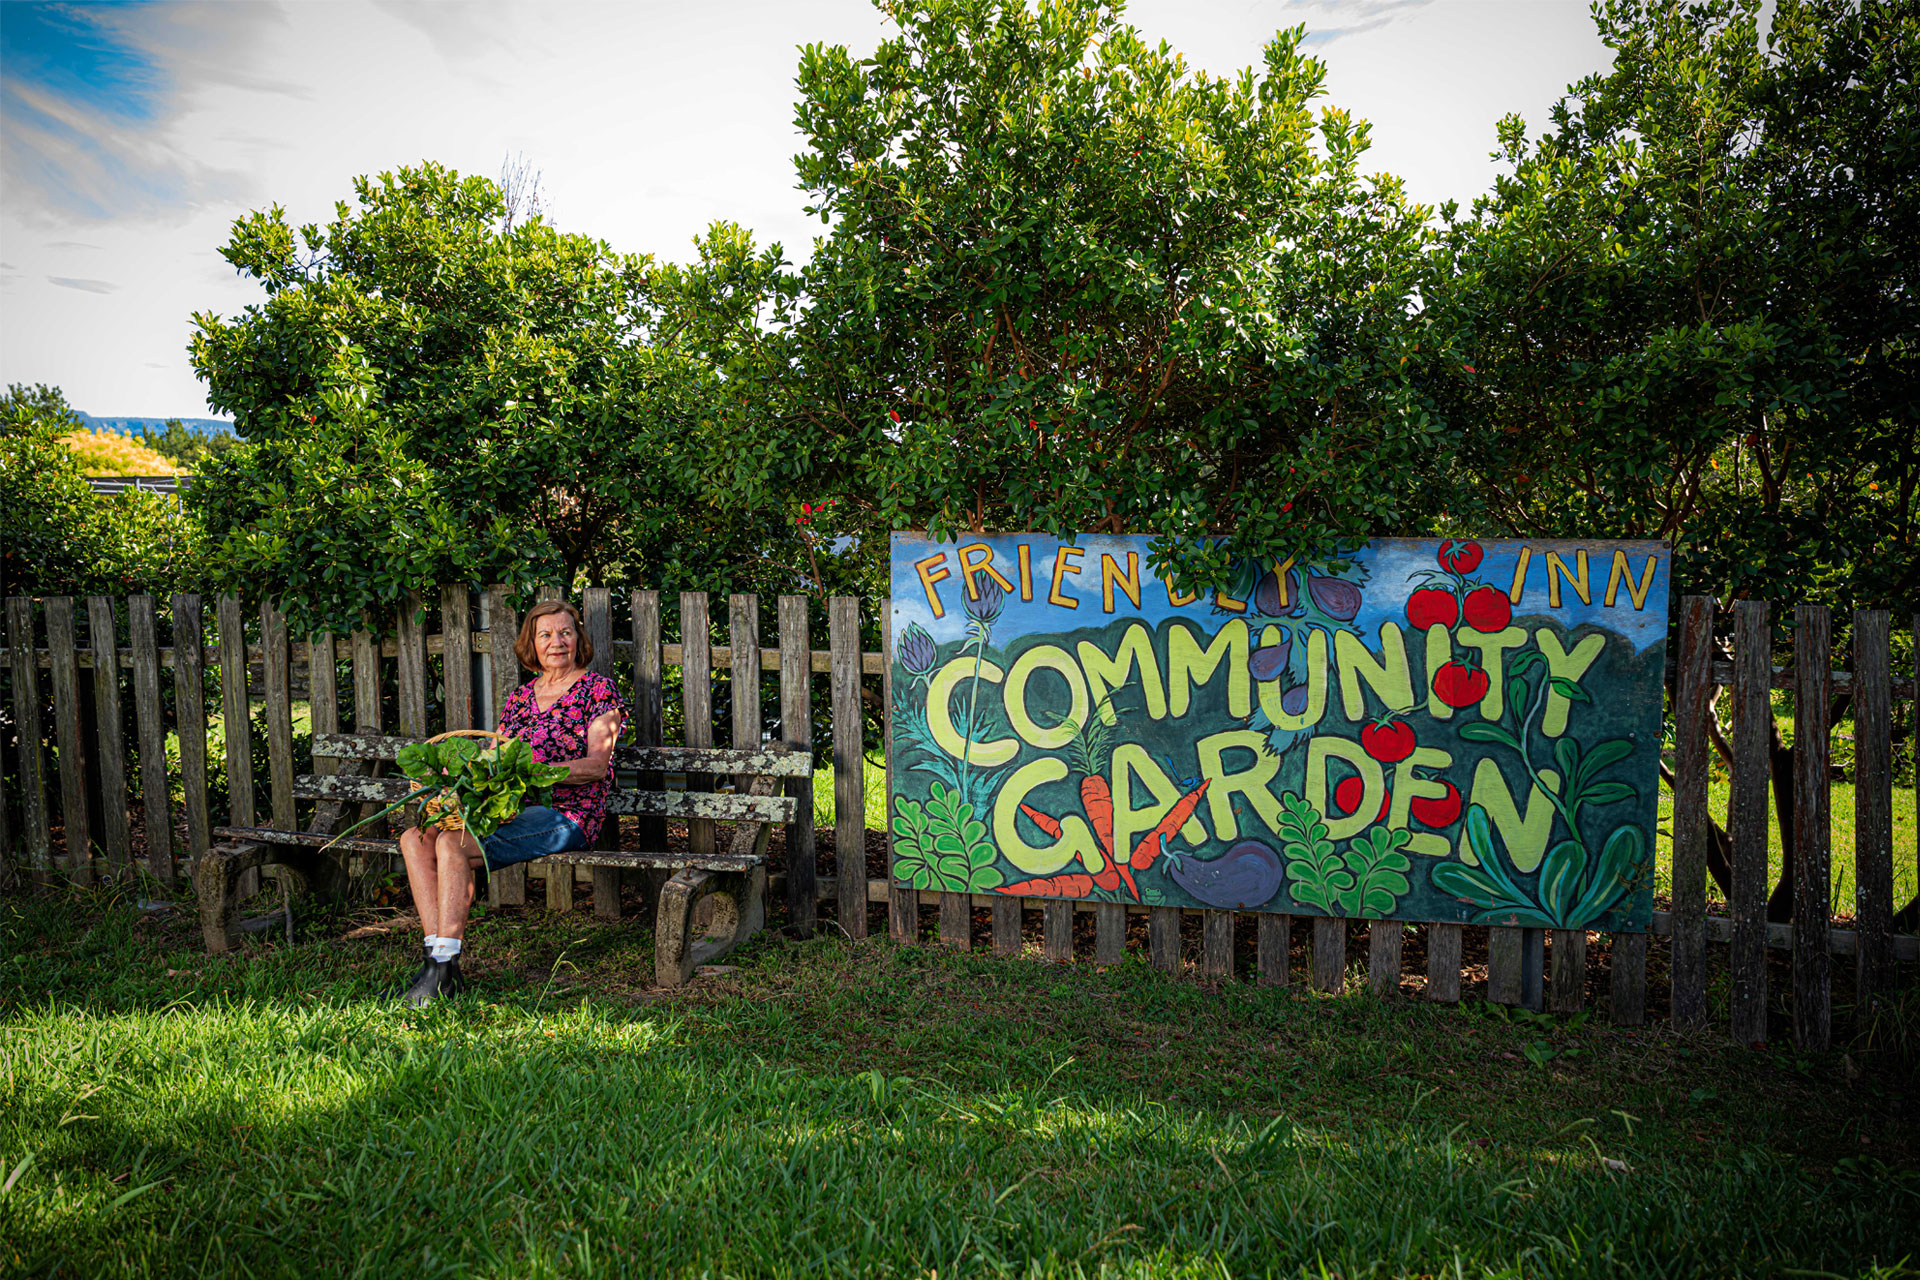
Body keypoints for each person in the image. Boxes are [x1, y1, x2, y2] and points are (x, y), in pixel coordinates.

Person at [394, 599, 627, 1005]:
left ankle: (441, 970)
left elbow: (595, 765)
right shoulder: (521, 698)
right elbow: (493, 755)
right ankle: (437, 966)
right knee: (416, 839)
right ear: (532, 645)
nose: (557, 642)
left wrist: (533, 772)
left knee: (452, 843)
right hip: (515, 809)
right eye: (546, 634)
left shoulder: (598, 690)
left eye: (565, 632)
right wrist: (463, 775)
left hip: (567, 815)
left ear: (579, 639)